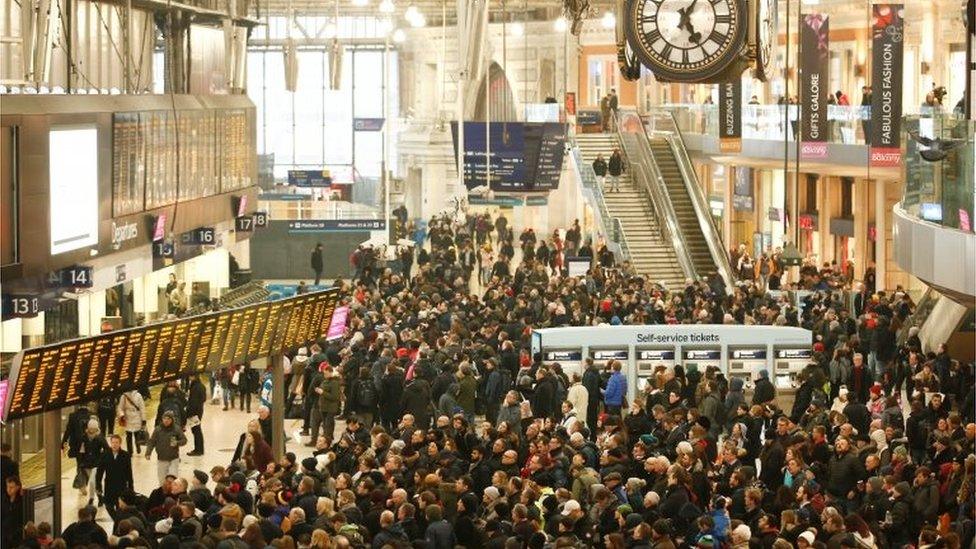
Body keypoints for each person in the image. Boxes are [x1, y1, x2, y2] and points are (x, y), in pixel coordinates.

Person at [95, 434, 133, 519]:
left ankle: (118, 522)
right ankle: (117, 520)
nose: (114, 444)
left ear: (120, 444)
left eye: (116, 442)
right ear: (110, 443)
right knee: (108, 506)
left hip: (121, 486)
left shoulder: (125, 455)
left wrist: (131, 487)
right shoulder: (105, 454)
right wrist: (98, 485)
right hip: (109, 485)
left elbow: (129, 473)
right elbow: (99, 472)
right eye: (113, 442)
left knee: (120, 508)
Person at [145, 410, 187, 484]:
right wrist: (148, 452)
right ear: (162, 419)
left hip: (173, 459)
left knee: (172, 480)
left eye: (168, 419)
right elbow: (152, 442)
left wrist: (177, 443)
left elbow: (184, 440)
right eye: (165, 418)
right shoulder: (158, 429)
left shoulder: (177, 429)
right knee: (162, 481)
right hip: (161, 459)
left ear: (172, 420)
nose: (166, 420)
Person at [117, 389, 146, 455]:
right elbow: (120, 408)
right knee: (128, 436)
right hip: (127, 418)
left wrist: (143, 419)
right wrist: (122, 415)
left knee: (137, 434)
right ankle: (130, 451)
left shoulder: (138, 395)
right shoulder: (123, 396)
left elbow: (142, 407)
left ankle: (138, 446)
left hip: (137, 417)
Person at [185, 374, 207, 456]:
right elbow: (203, 399)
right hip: (199, 410)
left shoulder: (196, 387)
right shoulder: (200, 386)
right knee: (197, 430)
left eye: (190, 376)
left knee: (196, 430)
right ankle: (199, 449)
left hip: (194, 412)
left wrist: (189, 413)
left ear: (194, 377)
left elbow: (193, 402)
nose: (189, 377)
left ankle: (198, 450)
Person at [2, 476, 23, 547]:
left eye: (11, 487)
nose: (8, 489)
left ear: (17, 487)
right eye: (7, 487)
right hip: (4, 533)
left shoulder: (21, 500)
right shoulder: (4, 499)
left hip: (16, 534)